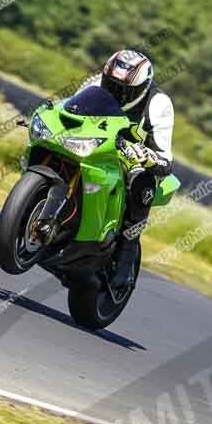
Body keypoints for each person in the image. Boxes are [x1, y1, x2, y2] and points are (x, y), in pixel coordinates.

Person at [76, 50, 175, 288]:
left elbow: (165, 160)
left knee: (141, 182)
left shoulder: (159, 104)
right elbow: (68, 108)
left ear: (141, 88)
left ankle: (126, 254)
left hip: (131, 160)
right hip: (94, 145)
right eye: (111, 84)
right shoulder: (95, 83)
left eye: (123, 90)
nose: (114, 92)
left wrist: (144, 155)